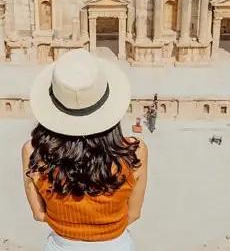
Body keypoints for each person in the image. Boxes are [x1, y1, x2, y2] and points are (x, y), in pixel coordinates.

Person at [23, 50, 148, 251]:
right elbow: (134, 214)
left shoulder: (32, 152)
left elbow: (38, 214)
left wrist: (68, 227)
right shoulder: (135, 151)